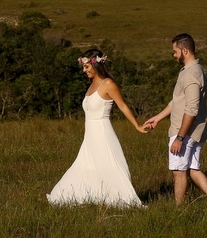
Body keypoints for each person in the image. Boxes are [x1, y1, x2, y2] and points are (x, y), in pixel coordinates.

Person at [48, 49, 148, 208]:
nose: (84, 70)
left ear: (96, 64)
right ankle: (91, 195)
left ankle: (121, 199)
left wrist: (137, 126)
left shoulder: (108, 84)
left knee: (108, 165)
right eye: (84, 67)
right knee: (87, 166)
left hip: (102, 132)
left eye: (87, 67)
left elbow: (122, 106)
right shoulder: (91, 85)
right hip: (90, 135)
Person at [144, 33, 207, 206]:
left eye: (175, 51)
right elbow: (177, 101)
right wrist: (158, 118)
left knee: (179, 171)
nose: (174, 55)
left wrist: (180, 137)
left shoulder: (191, 75)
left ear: (184, 51)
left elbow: (191, 109)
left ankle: (178, 210)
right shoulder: (194, 70)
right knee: (193, 169)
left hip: (185, 131)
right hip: (194, 130)